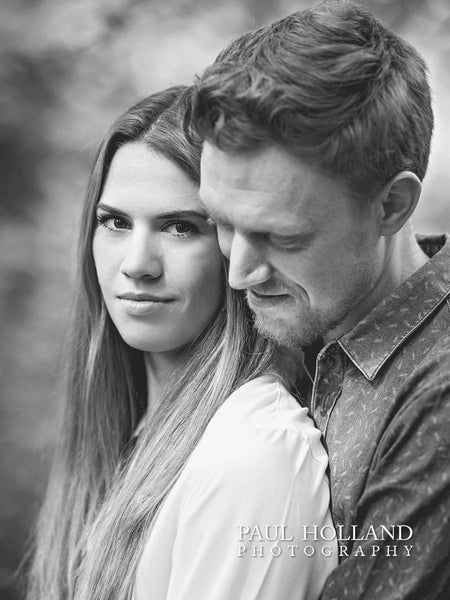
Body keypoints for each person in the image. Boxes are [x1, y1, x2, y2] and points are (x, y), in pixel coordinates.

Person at [25, 86, 337, 600]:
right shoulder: (131, 432)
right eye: (116, 223)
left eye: (179, 227)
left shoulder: (254, 455)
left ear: (233, 247)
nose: (137, 264)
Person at [189, 1, 450, 598]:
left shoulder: (437, 399)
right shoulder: (314, 310)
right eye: (221, 223)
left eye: (282, 237)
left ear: (391, 207)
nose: (239, 274)